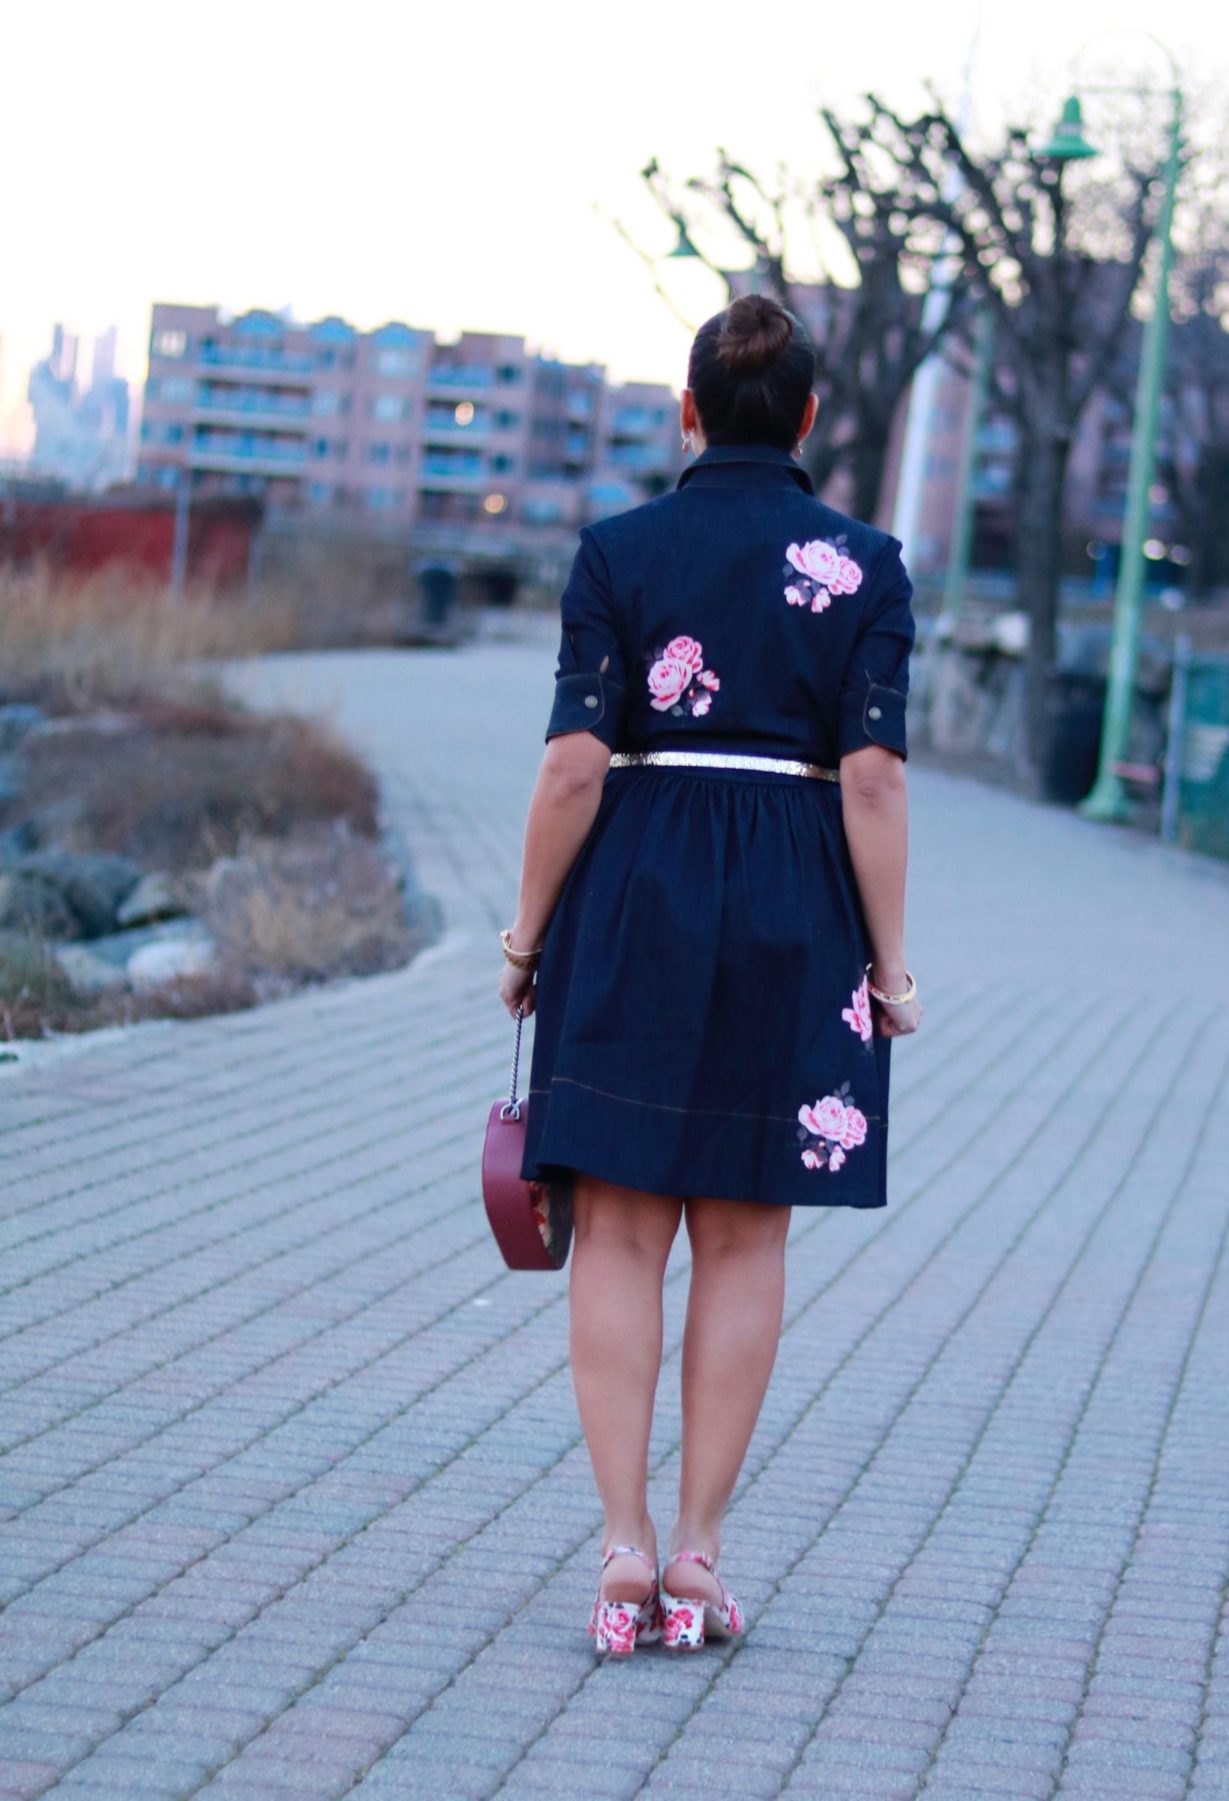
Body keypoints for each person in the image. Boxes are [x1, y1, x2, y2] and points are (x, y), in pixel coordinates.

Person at [499, 293, 922, 1656]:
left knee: (618, 1229)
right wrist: (893, 968)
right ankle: (698, 1553)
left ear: (688, 410)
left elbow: (574, 766)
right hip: (795, 904)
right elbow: (872, 779)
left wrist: (525, 938)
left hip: (637, 892)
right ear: (808, 419)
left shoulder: (619, 552)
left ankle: (619, 1546)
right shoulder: (868, 564)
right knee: (746, 1233)